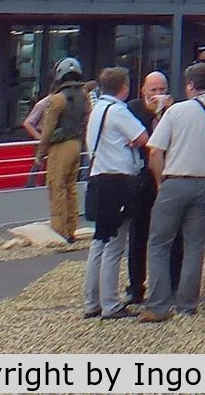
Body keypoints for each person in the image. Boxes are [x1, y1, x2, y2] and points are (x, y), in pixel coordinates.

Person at [139, 62, 205, 322]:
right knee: (195, 245)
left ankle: (158, 305)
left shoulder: (177, 111)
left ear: (190, 85)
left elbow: (155, 152)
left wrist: (160, 182)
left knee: (159, 243)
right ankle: (187, 304)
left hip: (176, 179)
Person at [81, 67, 148, 319]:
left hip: (99, 177)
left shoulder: (96, 110)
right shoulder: (119, 111)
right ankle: (110, 304)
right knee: (115, 244)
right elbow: (143, 138)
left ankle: (92, 301)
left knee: (99, 242)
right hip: (119, 180)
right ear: (125, 86)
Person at [126, 70, 182, 304]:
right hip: (141, 179)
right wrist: (152, 115)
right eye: (153, 90)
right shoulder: (133, 110)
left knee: (173, 232)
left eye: (162, 90)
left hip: (169, 174)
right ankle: (136, 286)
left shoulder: (176, 111)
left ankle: (173, 283)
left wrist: (165, 112)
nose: (158, 95)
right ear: (143, 90)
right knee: (138, 233)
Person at [34, 58, 90, 240]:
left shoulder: (57, 99)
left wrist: (40, 154)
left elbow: (48, 130)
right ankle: (72, 228)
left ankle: (60, 231)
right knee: (71, 187)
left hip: (60, 146)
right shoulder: (84, 96)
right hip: (76, 144)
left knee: (56, 187)